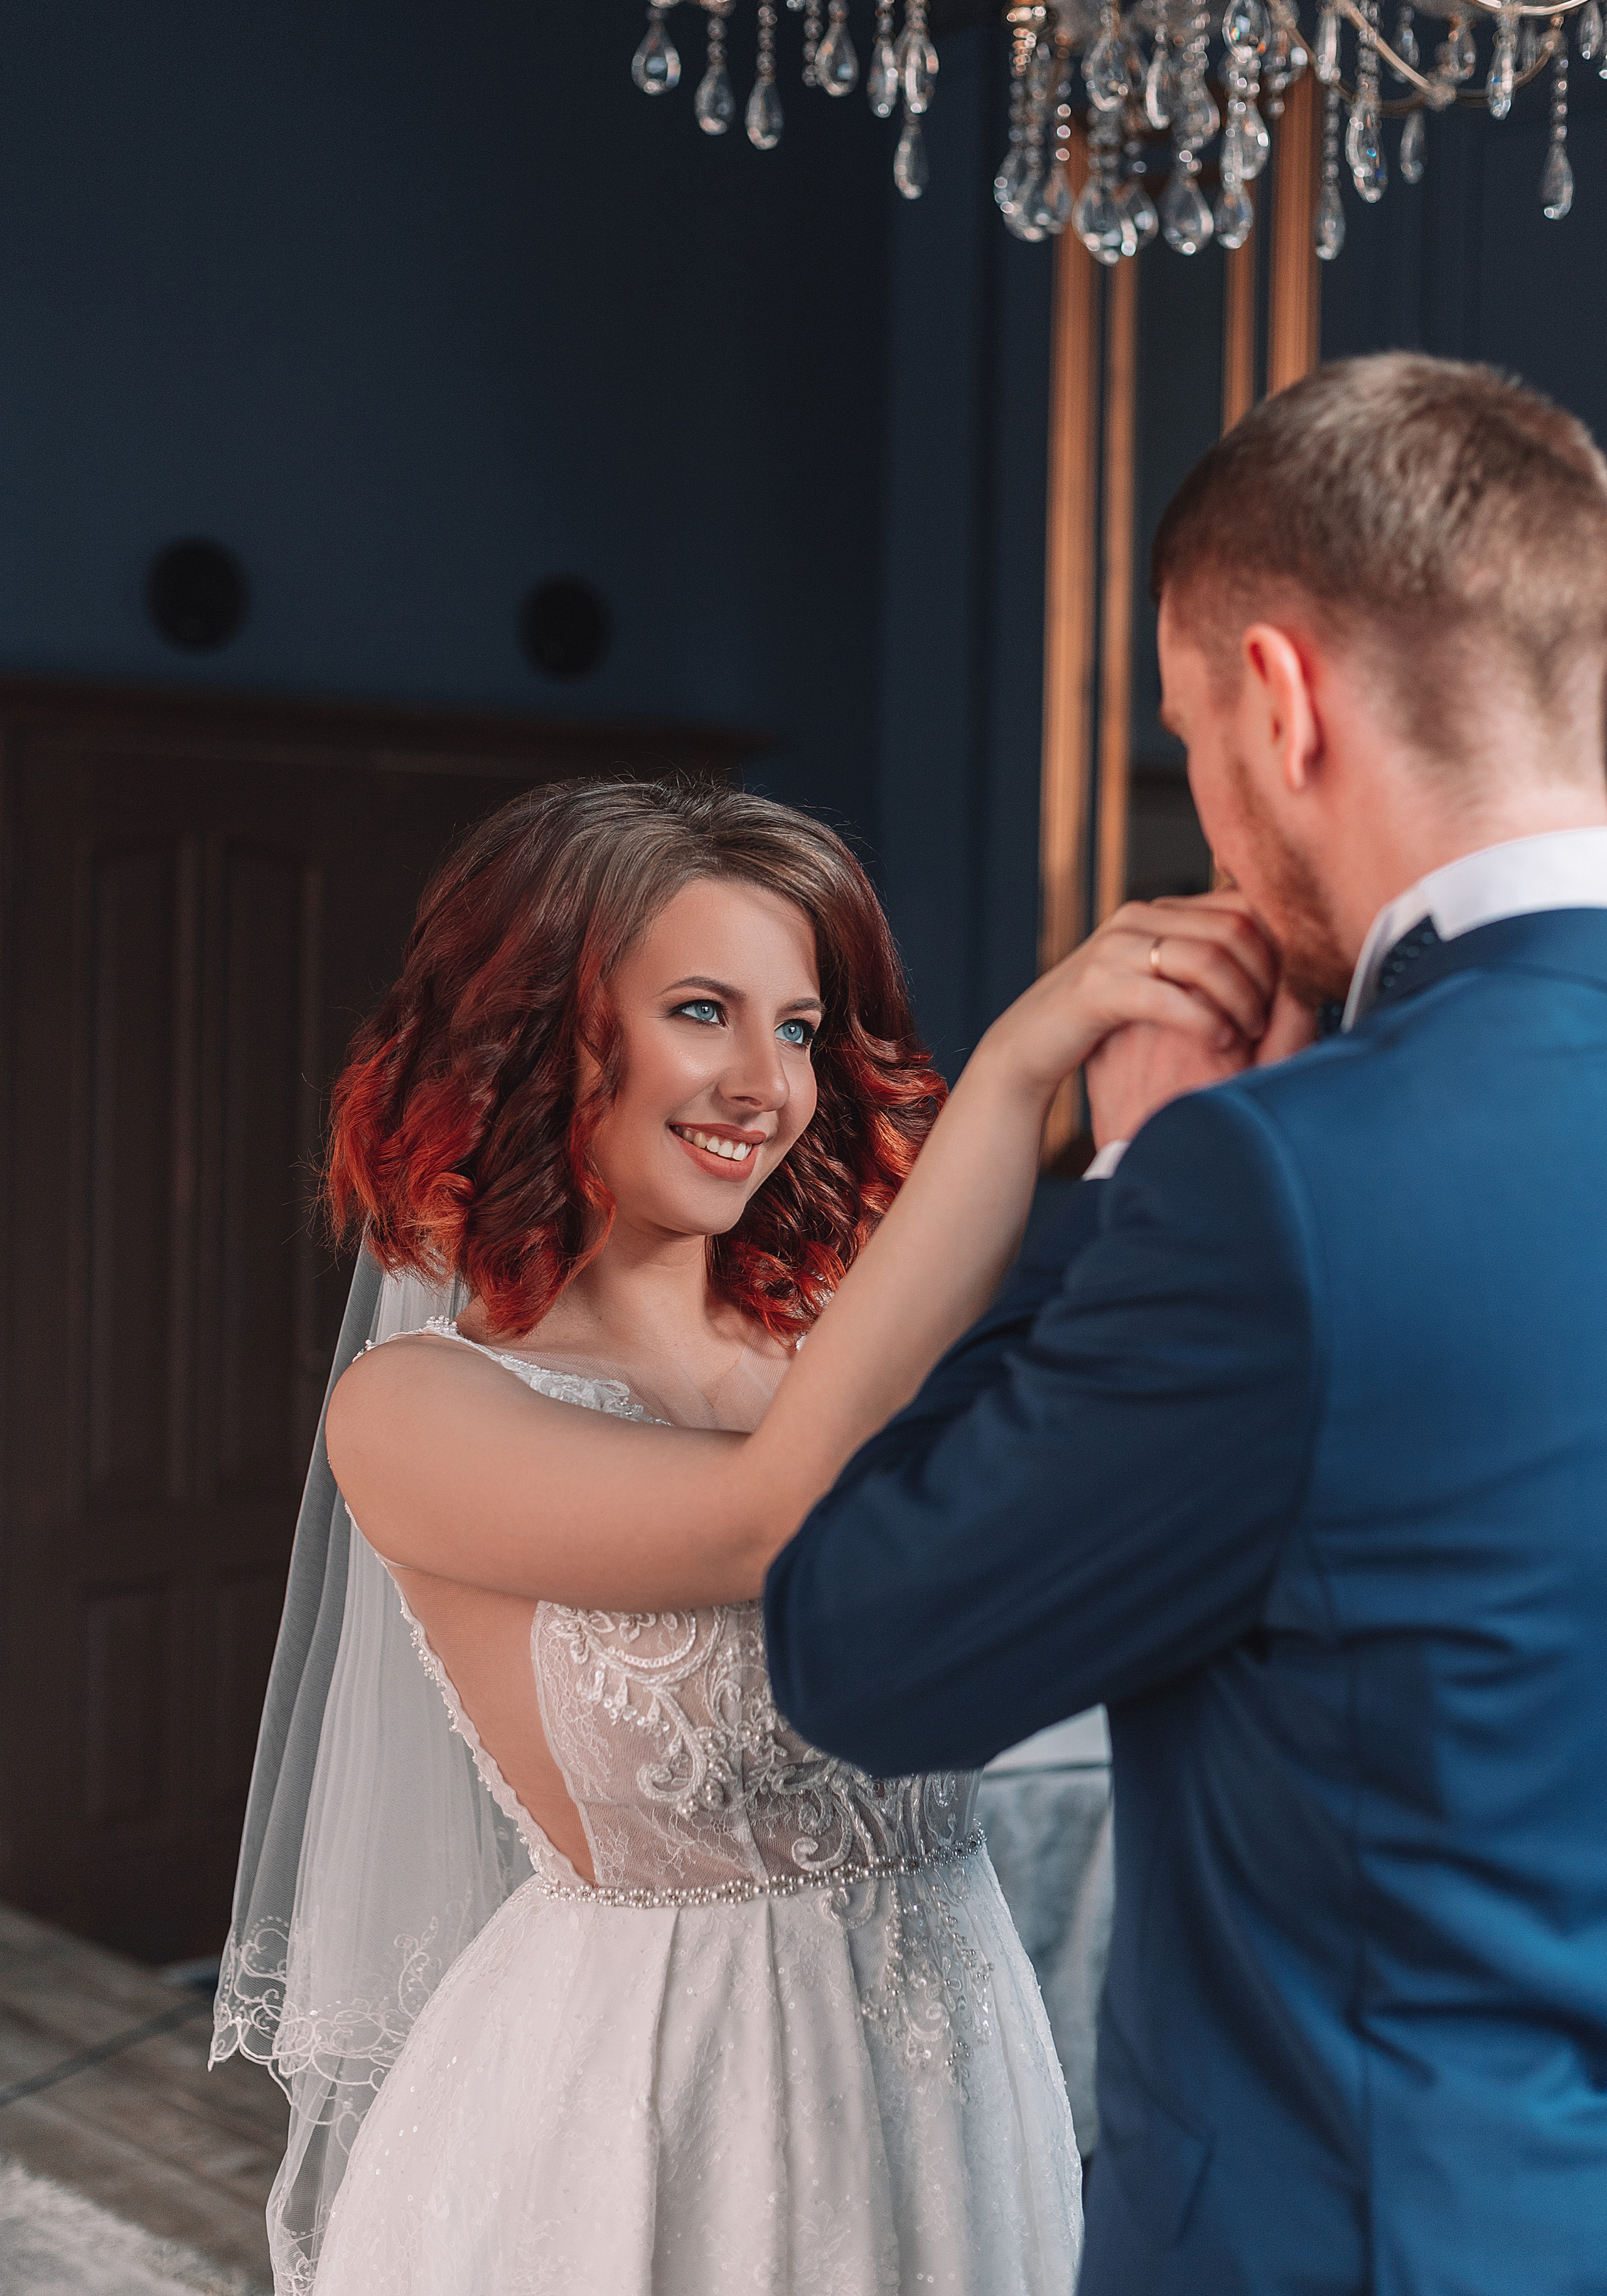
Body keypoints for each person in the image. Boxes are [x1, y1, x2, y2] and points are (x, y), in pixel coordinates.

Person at [763, 355, 1607, 2295]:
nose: (1213, 814)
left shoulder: (1275, 1183)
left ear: (1282, 703)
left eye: (1189, 734)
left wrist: (1134, 1166)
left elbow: (871, 1649)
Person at [214, 777, 1274, 2295]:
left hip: (953, 2085)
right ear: (536, 1030)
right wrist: (1018, 1069)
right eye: (701, 1011)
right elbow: (765, 1519)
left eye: (798, 1028)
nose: (763, 1086)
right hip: (642, 2112)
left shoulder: (845, 1351)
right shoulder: (413, 1411)